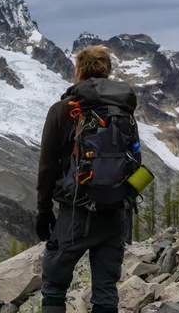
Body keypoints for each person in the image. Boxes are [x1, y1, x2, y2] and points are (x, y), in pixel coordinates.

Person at [36, 45, 138, 313]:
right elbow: (135, 161)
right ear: (108, 71)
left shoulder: (62, 110)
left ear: (79, 71)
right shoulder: (123, 110)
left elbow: (47, 167)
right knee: (105, 290)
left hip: (76, 214)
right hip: (115, 212)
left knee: (55, 287)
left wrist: (44, 211)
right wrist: (125, 198)